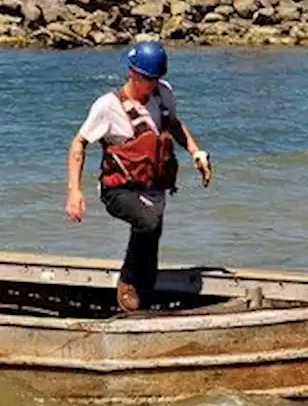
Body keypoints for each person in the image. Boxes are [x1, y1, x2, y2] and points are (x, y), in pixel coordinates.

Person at [66, 40, 214, 312]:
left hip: (153, 185)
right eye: (148, 78)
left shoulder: (163, 94)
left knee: (152, 236)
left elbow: (175, 124)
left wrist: (195, 152)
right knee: (147, 223)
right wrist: (74, 192)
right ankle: (127, 283)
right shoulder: (107, 106)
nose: (153, 84)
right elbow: (79, 144)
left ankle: (142, 298)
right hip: (118, 190)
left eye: (157, 78)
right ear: (132, 73)